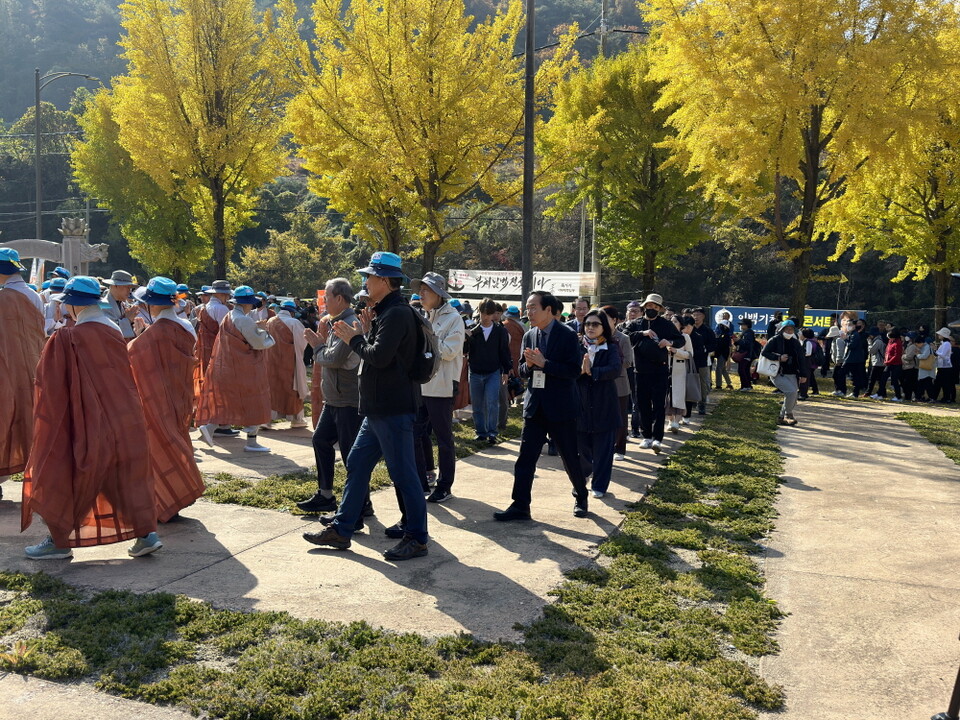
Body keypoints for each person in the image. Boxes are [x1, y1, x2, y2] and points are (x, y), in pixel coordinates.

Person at [21, 276, 161, 560]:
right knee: (121, 477)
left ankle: (58, 541)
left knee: (66, 472)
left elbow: (48, 382)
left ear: (73, 305)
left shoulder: (68, 337)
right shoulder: (112, 327)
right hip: (124, 414)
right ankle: (147, 534)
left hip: (86, 418)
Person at [304, 252, 430, 561]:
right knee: (357, 464)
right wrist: (362, 334)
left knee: (404, 474)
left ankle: (417, 537)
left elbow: (378, 357)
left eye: (369, 277)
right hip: (376, 409)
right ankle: (343, 528)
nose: (364, 282)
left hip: (393, 408)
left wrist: (355, 338)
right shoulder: (382, 312)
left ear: (385, 281)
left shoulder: (397, 314)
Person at [494, 290, 590, 521]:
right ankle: (520, 505)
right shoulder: (529, 335)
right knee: (525, 458)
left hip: (561, 406)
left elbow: (572, 371)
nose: (529, 312)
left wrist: (545, 364)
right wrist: (528, 365)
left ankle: (581, 495)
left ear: (549, 309)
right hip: (535, 405)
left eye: (533, 307)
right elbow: (523, 369)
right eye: (527, 308)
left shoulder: (567, 335)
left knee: (569, 457)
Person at [127, 277, 205, 522]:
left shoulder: (156, 333)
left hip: (158, 396)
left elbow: (132, 356)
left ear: (153, 304)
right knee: (177, 438)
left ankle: (168, 500)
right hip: (180, 394)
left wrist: (139, 335)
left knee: (159, 444)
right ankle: (182, 492)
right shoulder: (185, 326)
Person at [297, 278, 370, 516]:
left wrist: (317, 347)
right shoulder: (336, 322)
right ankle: (326, 495)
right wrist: (322, 349)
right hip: (335, 399)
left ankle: (361, 504)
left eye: (327, 298)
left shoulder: (349, 323)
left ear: (339, 299)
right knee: (320, 440)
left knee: (352, 456)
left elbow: (333, 359)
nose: (324, 302)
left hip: (348, 400)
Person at [196, 285, 276, 453]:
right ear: (246, 304)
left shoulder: (229, 315)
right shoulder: (243, 319)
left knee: (230, 402)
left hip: (229, 365)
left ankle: (209, 427)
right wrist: (264, 330)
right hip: (245, 367)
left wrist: (256, 328)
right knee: (255, 400)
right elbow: (258, 342)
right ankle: (251, 442)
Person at [412, 272, 464, 505]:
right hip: (420, 386)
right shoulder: (423, 315)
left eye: (427, 290)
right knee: (415, 433)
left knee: (443, 438)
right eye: (420, 289)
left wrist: (426, 337)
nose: (421, 294)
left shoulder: (454, 318)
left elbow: (449, 351)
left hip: (442, 386)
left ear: (439, 294)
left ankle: (445, 485)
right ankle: (422, 479)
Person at [0, 248, 45, 499]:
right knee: (34, 422)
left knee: (5, 422)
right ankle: (41, 477)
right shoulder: (33, 295)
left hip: (7, 370)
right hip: (34, 367)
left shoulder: (4, 298)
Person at [625, 293, 685, 452]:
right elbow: (625, 336)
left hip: (660, 369)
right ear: (644, 307)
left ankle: (658, 438)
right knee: (642, 404)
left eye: (655, 307)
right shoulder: (636, 324)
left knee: (659, 405)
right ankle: (647, 436)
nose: (652, 309)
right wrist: (642, 333)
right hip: (640, 370)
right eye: (649, 306)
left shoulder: (666, 325)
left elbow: (681, 340)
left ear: (659, 309)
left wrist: (669, 342)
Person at [576, 310, 622, 498]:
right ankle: (584, 475)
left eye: (595, 324)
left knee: (603, 450)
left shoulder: (611, 347)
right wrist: (580, 371)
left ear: (604, 327)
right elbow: (569, 369)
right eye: (587, 324)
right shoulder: (577, 346)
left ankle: (600, 485)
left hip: (605, 404)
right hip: (581, 404)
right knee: (581, 446)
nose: (591, 328)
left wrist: (592, 371)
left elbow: (615, 369)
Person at [465, 297, 513, 444]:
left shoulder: (500, 331)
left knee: (492, 402)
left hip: (493, 371)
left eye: (489, 314)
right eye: (483, 313)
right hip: (475, 372)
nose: (485, 317)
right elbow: (464, 351)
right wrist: (466, 338)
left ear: (494, 314)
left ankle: (492, 432)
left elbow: (504, 351)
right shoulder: (473, 330)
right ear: (479, 312)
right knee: (477, 404)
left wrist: (506, 370)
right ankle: (481, 432)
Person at [265, 299, 310, 427]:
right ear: (291, 312)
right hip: (290, 361)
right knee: (292, 388)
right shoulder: (294, 322)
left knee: (272, 388)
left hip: (271, 360)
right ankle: (296, 419)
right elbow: (303, 342)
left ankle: (267, 420)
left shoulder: (270, 321)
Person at [760, 319, 807, 426]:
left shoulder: (796, 342)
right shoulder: (775, 340)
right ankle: (788, 415)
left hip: (793, 373)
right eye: (787, 329)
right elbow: (764, 352)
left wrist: (803, 374)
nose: (789, 331)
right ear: (782, 329)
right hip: (777, 373)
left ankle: (781, 417)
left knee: (793, 396)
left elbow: (801, 358)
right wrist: (778, 357)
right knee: (791, 392)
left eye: (791, 329)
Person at [602, 306, 633, 461]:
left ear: (614, 320)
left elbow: (628, 362)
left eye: (606, 318)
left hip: (619, 383)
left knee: (620, 418)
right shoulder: (596, 337)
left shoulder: (623, 338)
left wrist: (611, 363)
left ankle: (619, 448)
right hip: (600, 383)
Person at [667, 315, 697, 433]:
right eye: (671, 321)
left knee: (679, 397)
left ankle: (677, 421)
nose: (672, 323)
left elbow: (690, 354)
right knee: (668, 397)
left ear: (681, 324)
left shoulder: (685, 337)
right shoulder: (666, 337)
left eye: (675, 321)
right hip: (666, 370)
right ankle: (670, 421)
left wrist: (676, 351)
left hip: (680, 372)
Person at [100, 270, 139, 340]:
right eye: (127, 287)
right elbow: (108, 330)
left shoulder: (124, 304)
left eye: (130, 288)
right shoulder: (103, 304)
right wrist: (128, 320)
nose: (129, 291)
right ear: (115, 286)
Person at [691, 308, 716, 414]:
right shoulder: (689, 329)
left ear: (703, 316)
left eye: (698, 315)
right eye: (694, 315)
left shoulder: (708, 330)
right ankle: (691, 402)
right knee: (691, 381)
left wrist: (704, 349)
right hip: (690, 360)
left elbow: (713, 345)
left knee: (703, 383)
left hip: (703, 361)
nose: (696, 317)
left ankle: (702, 404)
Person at [840, 318, 867, 398]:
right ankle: (854, 392)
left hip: (852, 359)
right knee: (854, 376)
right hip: (852, 358)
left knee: (844, 374)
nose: (848, 326)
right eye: (847, 325)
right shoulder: (851, 334)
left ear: (855, 326)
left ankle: (846, 391)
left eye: (850, 325)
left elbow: (851, 345)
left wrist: (845, 339)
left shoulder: (855, 335)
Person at [798, 328, 821, 400]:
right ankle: (802, 392)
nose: (799, 335)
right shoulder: (806, 341)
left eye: (801, 334)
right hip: (806, 362)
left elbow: (808, 353)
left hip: (806, 362)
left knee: (805, 378)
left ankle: (803, 394)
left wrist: (800, 355)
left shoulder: (808, 342)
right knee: (805, 377)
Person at [934, 327, 955, 403]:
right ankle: (936, 397)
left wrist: (935, 350)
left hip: (946, 367)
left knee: (945, 383)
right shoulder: (943, 343)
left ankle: (946, 398)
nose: (939, 335)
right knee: (939, 382)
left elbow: (943, 355)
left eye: (940, 334)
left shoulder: (947, 344)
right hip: (941, 366)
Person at [714, 311, 734, 390]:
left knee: (718, 369)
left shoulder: (726, 336)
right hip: (720, 353)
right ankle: (729, 383)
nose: (720, 326)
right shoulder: (720, 335)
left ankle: (718, 385)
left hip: (722, 354)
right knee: (722, 369)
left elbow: (726, 346)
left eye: (722, 325)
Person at [734, 318, 756, 391]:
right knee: (745, 370)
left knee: (742, 370)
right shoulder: (745, 332)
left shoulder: (748, 332)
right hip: (746, 354)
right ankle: (747, 385)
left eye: (742, 324)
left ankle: (745, 386)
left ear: (747, 325)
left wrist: (738, 340)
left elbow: (747, 344)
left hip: (745, 354)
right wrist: (736, 341)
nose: (741, 326)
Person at [866, 328, 888, 399]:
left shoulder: (877, 341)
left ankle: (868, 392)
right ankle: (883, 393)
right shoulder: (880, 340)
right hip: (879, 362)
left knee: (872, 379)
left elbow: (872, 351)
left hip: (878, 362)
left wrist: (869, 343)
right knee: (879, 379)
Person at [883, 329, 904, 402]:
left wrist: (888, 361)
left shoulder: (898, 343)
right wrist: (886, 360)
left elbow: (897, 355)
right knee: (883, 378)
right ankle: (880, 393)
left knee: (894, 380)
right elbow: (887, 352)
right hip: (888, 363)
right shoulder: (890, 342)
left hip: (896, 364)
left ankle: (898, 396)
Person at [915, 336, 936, 401]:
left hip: (927, 369)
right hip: (925, 368)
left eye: (917, 344)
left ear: (921, 343)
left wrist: (917, 355)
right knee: (923, 383)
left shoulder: (927, 347)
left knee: (927, 384)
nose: (917, 346)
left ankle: (931, 397)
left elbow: (924, 356)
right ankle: (920, 396)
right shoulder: (924, 347)